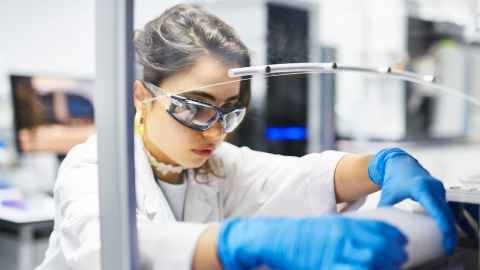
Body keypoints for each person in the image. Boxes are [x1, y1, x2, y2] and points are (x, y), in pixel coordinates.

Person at [36, 4, 457, 270]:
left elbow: (302, 176)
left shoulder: (218, 163)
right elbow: (108, 248)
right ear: (143, 95)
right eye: (195, 107)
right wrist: (237, 244)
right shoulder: (91, 166)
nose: (215, 130)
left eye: (227, 111)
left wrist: (382, 164)